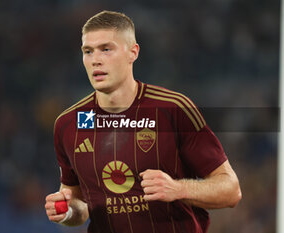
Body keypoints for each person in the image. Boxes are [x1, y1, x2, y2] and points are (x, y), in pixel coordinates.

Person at [45, 10, 241, 233]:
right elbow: (79, 203)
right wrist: (68, 212)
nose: (95, 60)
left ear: (133, 52)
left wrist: (177, 188)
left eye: (106, 49)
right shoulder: (69, 124)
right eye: (88, 51)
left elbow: (231, 190)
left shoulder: (173, 109)